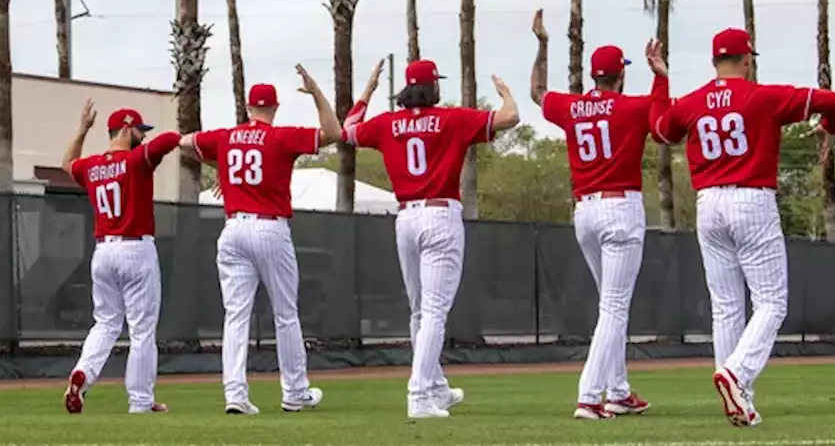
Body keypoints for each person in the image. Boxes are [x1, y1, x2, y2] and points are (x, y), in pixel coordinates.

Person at [654, 28, 835, 427]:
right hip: (751, 200)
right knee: (772, 303)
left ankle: (739, 399)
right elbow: (830, 100)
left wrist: (661, 78)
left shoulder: (692, 102)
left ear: (712, 61)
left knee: (726, 307)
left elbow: (661, 130)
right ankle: (736, 374)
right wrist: (830, 126)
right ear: (747, 60)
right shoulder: (763, 96)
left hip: (708, 204)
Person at [344, 58, 519, 420]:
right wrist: (505, 93)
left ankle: (435, 386)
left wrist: (368, 91)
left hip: (406, 218)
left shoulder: (387, 124)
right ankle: (419, 393)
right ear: (433, 87)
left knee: (420, 311)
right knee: (435, 313)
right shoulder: (453, 119)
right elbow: (510, 117)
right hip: (440, 216)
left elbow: (347, 129)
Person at [530, 9, 668, 420]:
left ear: (594, 76)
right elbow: (663, 123)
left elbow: (538, 90)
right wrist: (660, 74)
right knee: (614, 307)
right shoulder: (632, 106)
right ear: (620, 75)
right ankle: (590, 395)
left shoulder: (572, 107)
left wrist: (543, 44)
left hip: (585, 213)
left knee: (612, 304)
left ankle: (619, 391)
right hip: (620, 209)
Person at [178, 67, 340, 415]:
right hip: (269, 228)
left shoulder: (226, 137)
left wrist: (222, 169)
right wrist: (315, 94)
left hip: (234, 229)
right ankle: (295, 392)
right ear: (275, 108)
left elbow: (185, 142)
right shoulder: (281, 136)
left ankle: (235, 394)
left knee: (235, 316)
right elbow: (333, 132)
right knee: (285, 314)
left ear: (248, 108)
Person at [63, 101, 181, 415]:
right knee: (142, 330)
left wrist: (82, 129)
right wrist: (187, 139)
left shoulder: (91, 167)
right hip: (135, 249)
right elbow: (168, 140)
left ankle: (83, 374)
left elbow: (68, 163)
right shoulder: (135, 161)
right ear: (126, 129)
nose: (143, 136)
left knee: (105, 323)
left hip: (103, 252)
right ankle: (140, 401)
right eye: (139, 131)